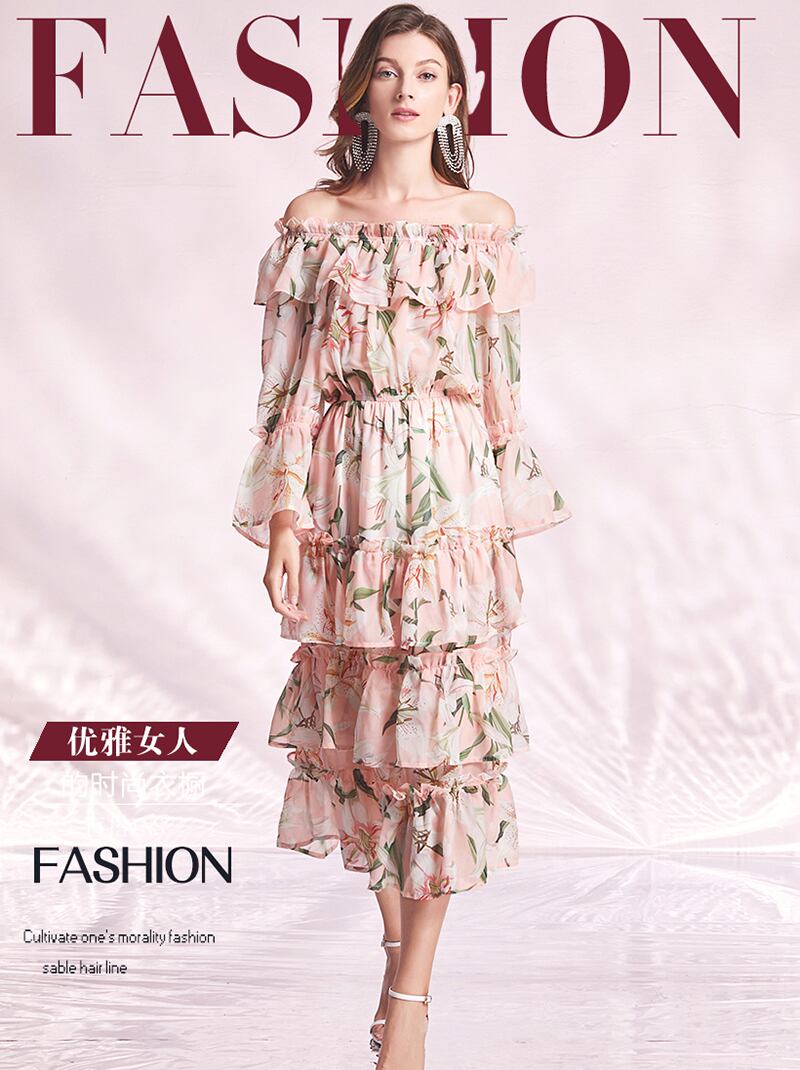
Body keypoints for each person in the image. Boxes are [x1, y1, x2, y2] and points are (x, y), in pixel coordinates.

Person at [231, 5, 572, 1067]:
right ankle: (395, 954)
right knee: (364, 739)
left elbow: (500, 391)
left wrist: (501, 524)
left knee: (444, 743)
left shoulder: (484, 222)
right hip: (346, 498)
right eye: (387, 71)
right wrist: (285, 516)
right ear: (360, 95)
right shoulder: (314, 220)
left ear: (455, 98)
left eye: (427, 73)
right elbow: (286, 389)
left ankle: (408, 1004)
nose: (408, 89)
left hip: (451, 503)